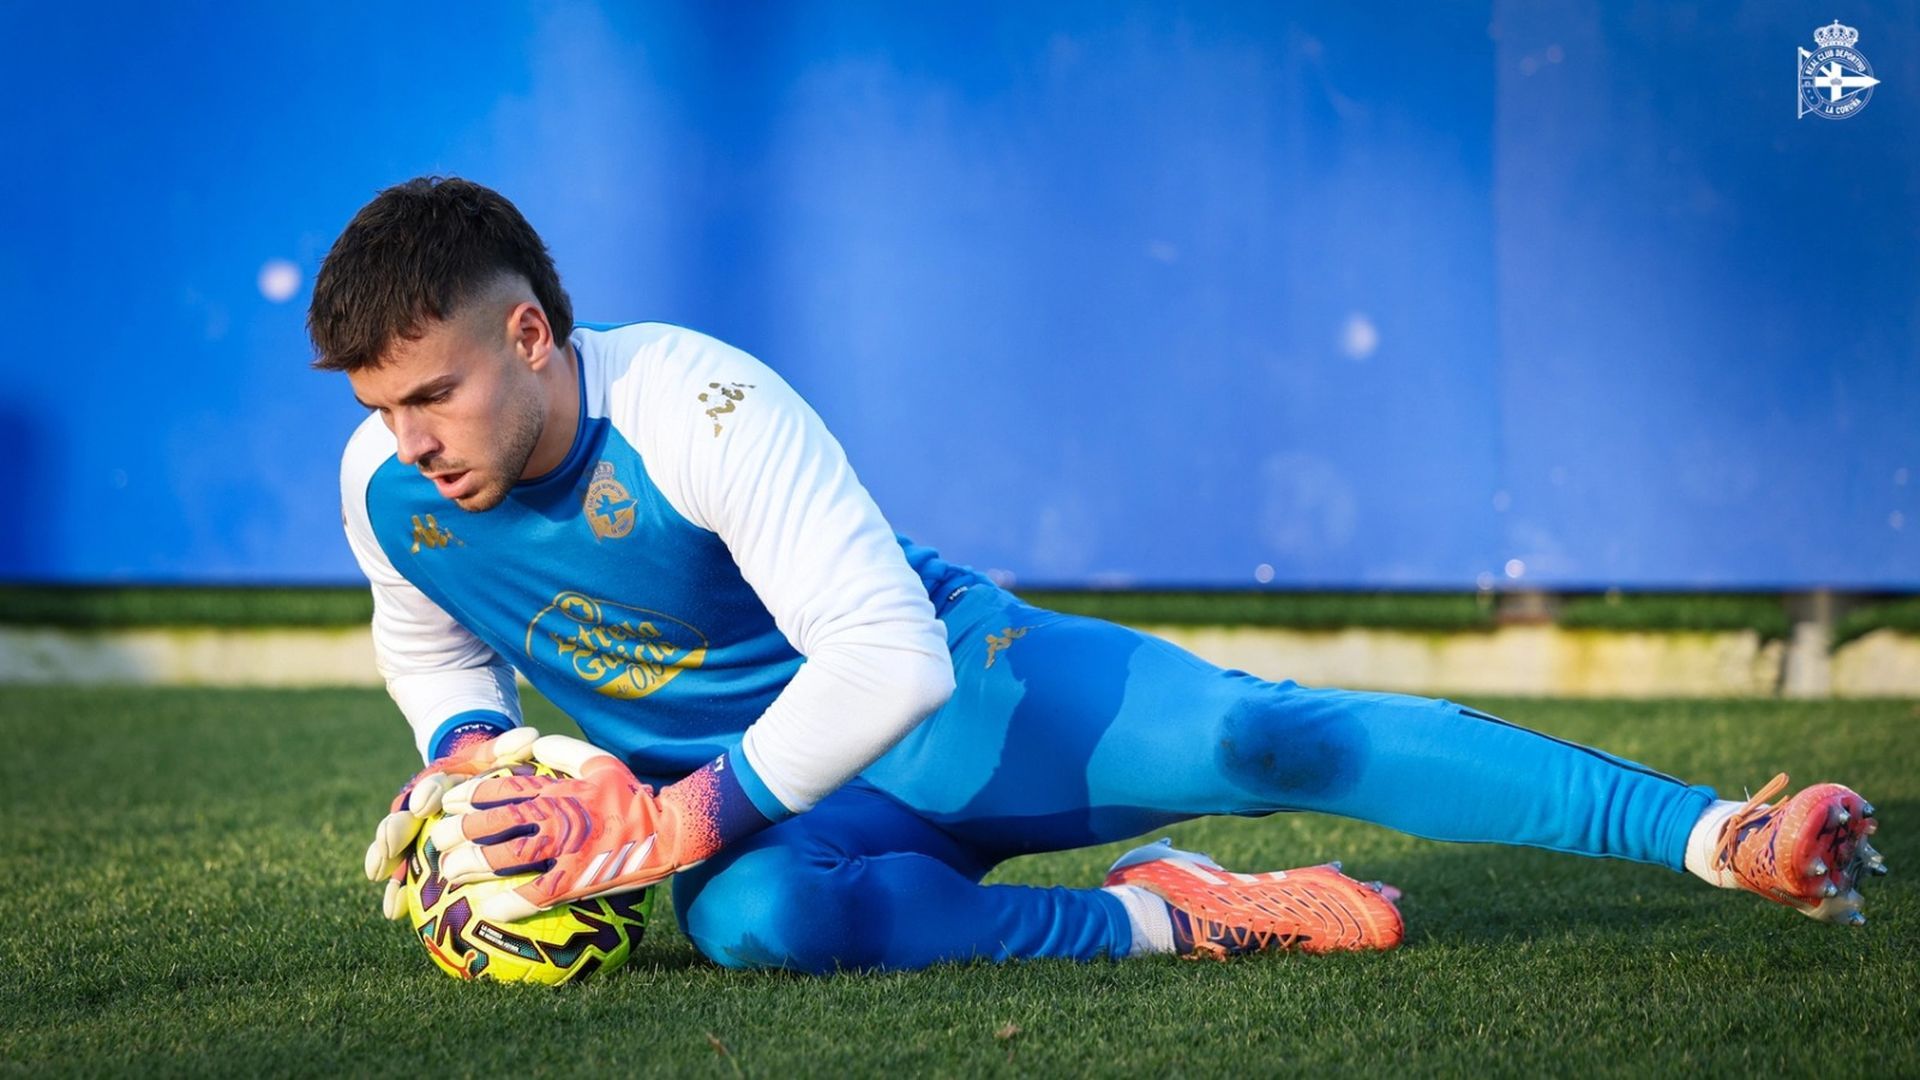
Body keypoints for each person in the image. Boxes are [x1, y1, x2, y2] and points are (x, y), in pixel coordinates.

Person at [314, 177, 1885, 973]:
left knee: (1266, 740)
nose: (407, 439)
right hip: (791, 805)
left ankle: (1717, 834)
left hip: (958, 703)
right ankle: (1171, 922)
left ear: (530, 332)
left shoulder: (699, 405)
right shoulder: (387, 490)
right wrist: (471, 766)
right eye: (377, 407)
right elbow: (437, 652)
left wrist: (675, 816)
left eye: (430, 394)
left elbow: (888, 662)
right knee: (763, 929)